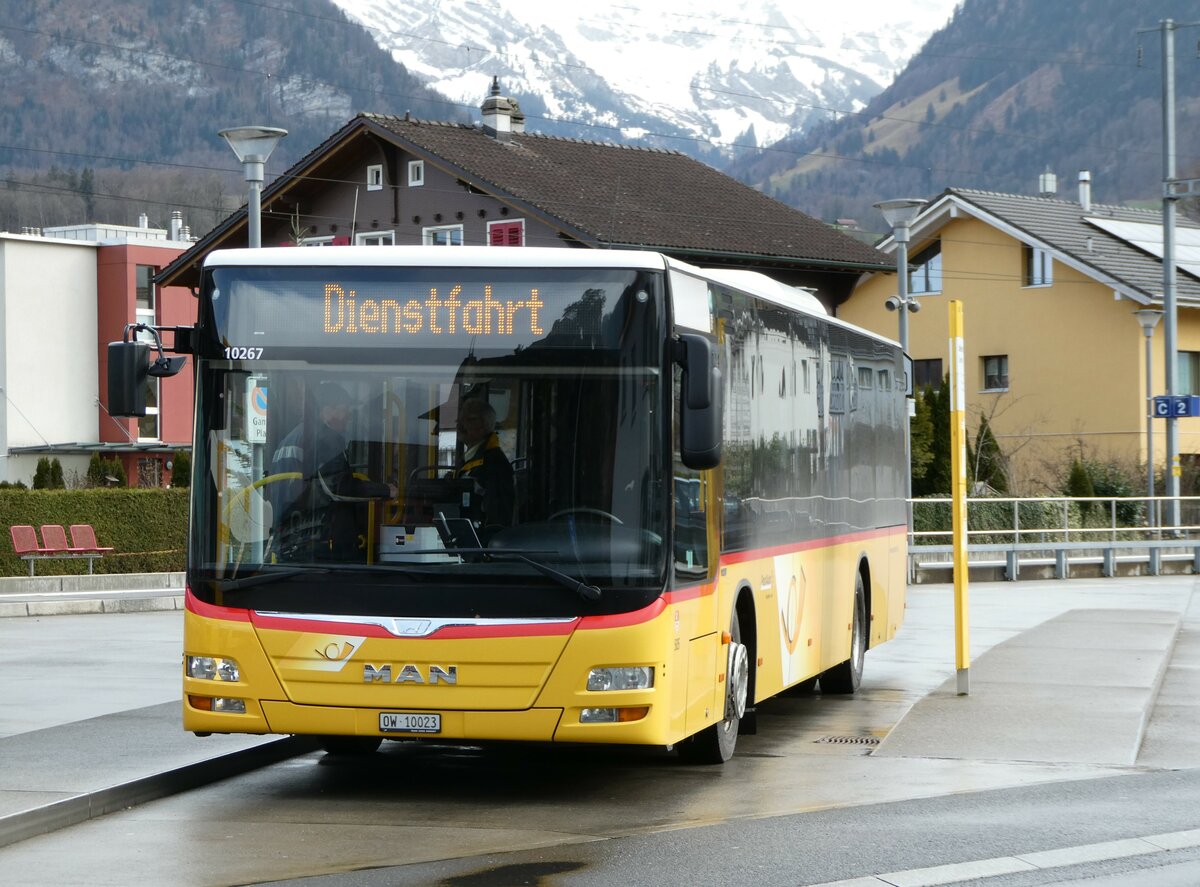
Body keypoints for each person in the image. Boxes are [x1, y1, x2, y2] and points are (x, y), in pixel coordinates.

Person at [270, 382, 397, 561]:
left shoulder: (290, 439)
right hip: (317, 543)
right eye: (344, 410)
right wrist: (385, 490)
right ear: (327, 412)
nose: (348, 417)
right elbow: (337, 487)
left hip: (289, 539)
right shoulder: (324, 439)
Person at [454, 396, 515, 538]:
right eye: (460, 418)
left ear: (485, 424)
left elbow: (497, 517)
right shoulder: (472, 458)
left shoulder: (494, 464)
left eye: (469, 419)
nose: (460, 424)